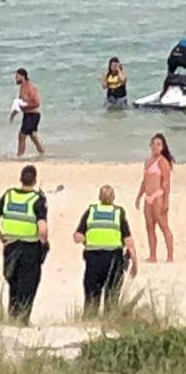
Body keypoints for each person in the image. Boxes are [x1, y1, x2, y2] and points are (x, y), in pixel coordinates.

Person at [0, 165, 49, 324]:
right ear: (34, 180)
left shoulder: (9, 196)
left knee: (13, 284)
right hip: (30, 248)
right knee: (27, 287)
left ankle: (13, 317)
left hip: (11, 246)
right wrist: (44, 243)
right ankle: (23, 320)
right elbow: (42, 229)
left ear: (20, 179)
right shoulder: (37, 199)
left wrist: (2, 237)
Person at [73, 184, 137, 318]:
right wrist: (135, 262)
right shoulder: (118, 213)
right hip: (114, 259)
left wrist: (87, 239)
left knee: (91, 294)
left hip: (93, 259)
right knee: (112, 294)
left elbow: (77, 237)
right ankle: (109, 320)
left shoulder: (90, 212)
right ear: (113, 198)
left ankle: (89, 320)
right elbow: (128, 240)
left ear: (99, 198)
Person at [135, 133, 174, 263]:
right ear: (150, 146)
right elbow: (144, 181)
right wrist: (139, 196)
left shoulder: (163, 162)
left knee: (163, 226)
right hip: (148, 197)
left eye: (159, 144)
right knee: (149, 226)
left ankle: (170, 256)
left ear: (162, 147)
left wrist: (166, 201)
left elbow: (166, 183)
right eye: (154, 144)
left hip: (158, 196)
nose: (156, 147)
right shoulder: (147, 161)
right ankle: (153, 255)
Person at [10, 68, 45, 157]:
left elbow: (37, 103)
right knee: (33, 136)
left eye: (17, 76)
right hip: (27, 115)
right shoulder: (22, 87)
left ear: (23, 76)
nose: (15, 79)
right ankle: (42, 153)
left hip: (33, 115)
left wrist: (25, 106)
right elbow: (19, 103)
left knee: (21, 135)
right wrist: (13, 115)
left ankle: (19, 155)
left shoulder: (30, 87)